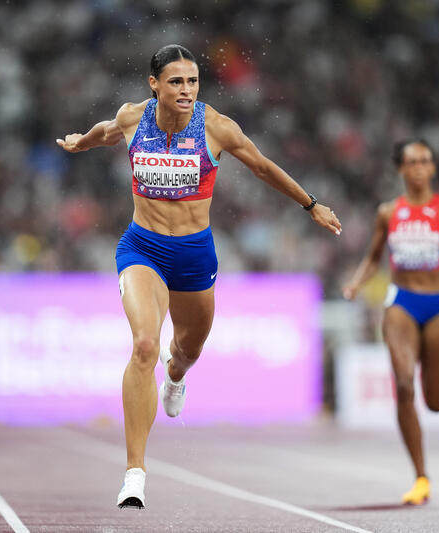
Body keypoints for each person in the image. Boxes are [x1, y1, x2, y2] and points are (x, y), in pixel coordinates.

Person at [57, 44, 342, 509]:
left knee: (187, 348)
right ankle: (134, 474)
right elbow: (105, 133)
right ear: (155, 85)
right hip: (142, 248)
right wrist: (79, 143)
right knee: (145, 344)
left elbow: (263, 166)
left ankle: (177, 375)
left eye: (192, 81)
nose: (186, 90)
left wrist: (310, 205)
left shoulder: (217, 127)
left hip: (194, 254)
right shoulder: (133, 119)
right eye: (176, 82)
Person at [342, 139, 439, 505]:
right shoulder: (388, 213)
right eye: (413, 161)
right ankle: (421, 477)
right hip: (401, 304)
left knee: (436, 401)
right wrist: (357, 283)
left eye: (426, 160)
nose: (420, 167)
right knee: (404, 386)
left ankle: (431, 375)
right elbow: (374, 257)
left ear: (433, 168)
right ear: (401, 170)